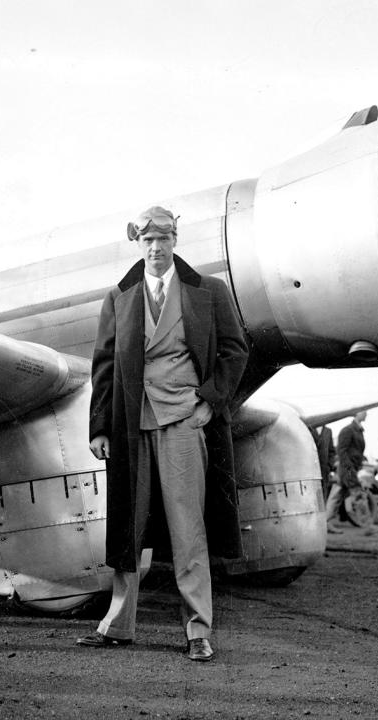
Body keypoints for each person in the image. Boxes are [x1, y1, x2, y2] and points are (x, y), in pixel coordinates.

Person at [76, 206, 249, 662]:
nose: (156, 248)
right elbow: (105, 367)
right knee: (128, 528)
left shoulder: (208, 291)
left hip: (183, 423)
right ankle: (118, 626)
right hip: (130, 426)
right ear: (138, 243)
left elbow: (235, 350)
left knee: (188, 528)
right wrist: (99, 426)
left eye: (164, 238)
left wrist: (210, 400)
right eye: (148, 241)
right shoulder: (119, 296)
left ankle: (198, 631)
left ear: (176, 239)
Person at [324, 411, 368, 534]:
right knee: (359, 495)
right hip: (348, 470)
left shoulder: (358, 430)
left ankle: (324, 524)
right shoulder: (348, 430)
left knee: (336, 497)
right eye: (363, 412)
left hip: (349, 469)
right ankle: (367, 524)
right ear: (356, 414)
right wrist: (349, 470)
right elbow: (341, 451)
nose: (366, 414)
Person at [310, 425, 336, 504]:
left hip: (324, 470)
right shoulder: (309, 428)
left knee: (324, 494)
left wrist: (329, 466)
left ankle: (323, 514)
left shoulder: (328, 431)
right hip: (311, 469)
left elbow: (331, 451)